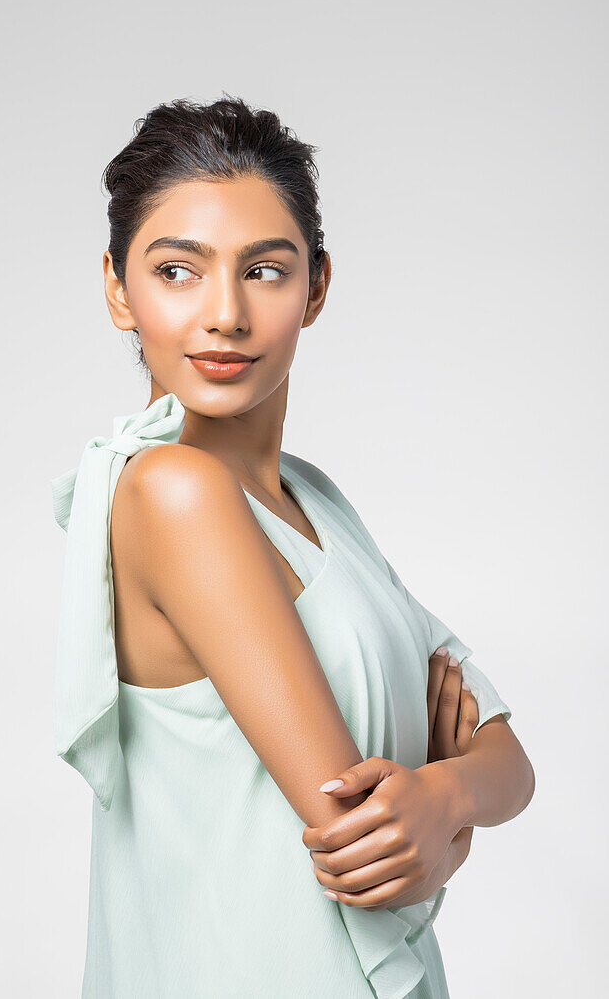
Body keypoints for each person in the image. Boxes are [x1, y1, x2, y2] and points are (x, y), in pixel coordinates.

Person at [51, 96, 535, 998]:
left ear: (315, 285)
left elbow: (509, 759)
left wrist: (443, 799)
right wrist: (443, 798)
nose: (224, 314)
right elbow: (365, 852)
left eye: (264, 271)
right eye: (177, 271)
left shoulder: (315, 500)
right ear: (120, 288)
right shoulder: (170, 493)